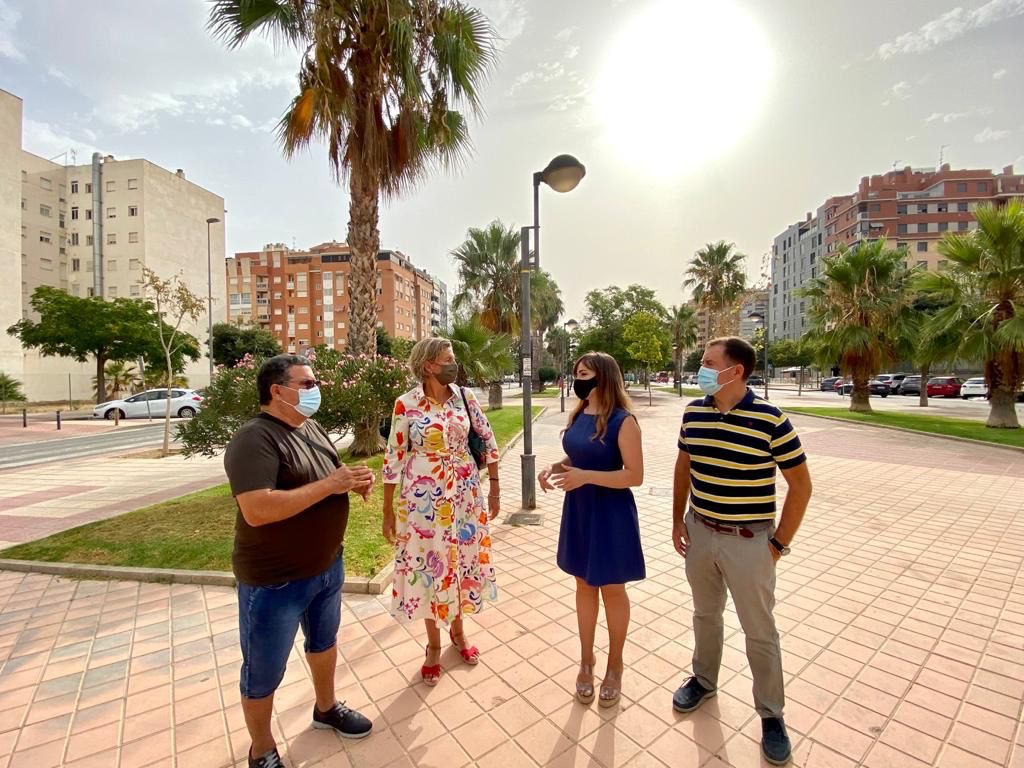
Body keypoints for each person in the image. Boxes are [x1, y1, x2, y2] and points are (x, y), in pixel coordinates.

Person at [223, 354, 375, 768]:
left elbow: (332, 471)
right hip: (275, 581)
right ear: (277, 391)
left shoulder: (310, 427)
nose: (315, 391)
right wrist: (331, 484)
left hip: (326, 569)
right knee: (262, 671)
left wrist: (355, 478)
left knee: (324, 645)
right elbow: (258, 509)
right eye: (307, 385)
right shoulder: (254, 439)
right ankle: (262, 749)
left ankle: (325, 709)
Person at [671, 337, 812, 766]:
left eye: (709, 363)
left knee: (759, 630)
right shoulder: (693, 412)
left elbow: (801, 486)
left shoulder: (772, 420)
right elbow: (683, 467)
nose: (702, 369)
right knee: (705, 615)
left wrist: (779, 543)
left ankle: (771, 714)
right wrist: (678, 519)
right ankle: (704, 680)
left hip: (751, 541)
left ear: (737, 371)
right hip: (701, 532)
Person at [382, 337, 501, 686]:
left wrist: (494, 486)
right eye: (448, 359)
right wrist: (388, 509)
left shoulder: (466, 397)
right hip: (423, 502)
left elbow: (489, 439)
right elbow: (393, 457)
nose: (454, 364)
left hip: (464, 497)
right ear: (429, 365)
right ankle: (433, 645)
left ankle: (460, 634)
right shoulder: (406, 405)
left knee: (461, 562)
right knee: (430, 565)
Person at [540, 351, 645, 708]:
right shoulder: (579, 413)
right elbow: (581, 457)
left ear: (604, 377)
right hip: (580, 512)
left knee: (612, 590)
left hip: (611, 514)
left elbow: (634, 475)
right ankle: (587, 661)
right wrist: (556, 466)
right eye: (576, 372)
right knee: (583, 586)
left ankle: (615, 664)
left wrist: (585, 477)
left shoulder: (623, 420)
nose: (577, 379)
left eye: (584, 373)